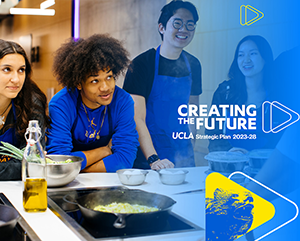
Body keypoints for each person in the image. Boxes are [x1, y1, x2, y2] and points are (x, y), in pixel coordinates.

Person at [123, 0, 202, 170]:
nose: (184, 30)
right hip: (148, 155)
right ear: (162, 28)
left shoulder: (194, 64)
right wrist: (153, 158)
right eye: (177, 23)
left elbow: (193, 111)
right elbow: (137, 118)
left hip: (182, 154)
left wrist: (190, 147)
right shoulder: (142, 64)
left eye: (190, 25)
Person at [46, 34, 139, 172]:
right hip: (67, 184)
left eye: (109, 77)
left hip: (103, 183)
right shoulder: (62, 104)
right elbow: (59, 161)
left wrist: (78, 169)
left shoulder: (122, 101)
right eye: (95, 81)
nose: (105, 87)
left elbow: (124, 160)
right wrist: (103, 152)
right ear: (78, 83)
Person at [206, 35, 281, 153]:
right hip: (230, 162)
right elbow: (213, 132)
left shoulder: (277, 95)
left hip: (265, 165)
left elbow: (283, 139)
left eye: (253, 54)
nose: (246, 60)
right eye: (241, 55)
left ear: (265, 58)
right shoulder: (225, 92)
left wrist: (254, 156)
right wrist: (231, 151)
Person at [0, 39, 50, 180]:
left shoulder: (32, 103)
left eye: (21, 70)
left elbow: (34, 162)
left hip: (17, 190)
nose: (16, 79)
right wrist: (22, 165)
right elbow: (28, 164)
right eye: (7, 69)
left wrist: (30, 164)